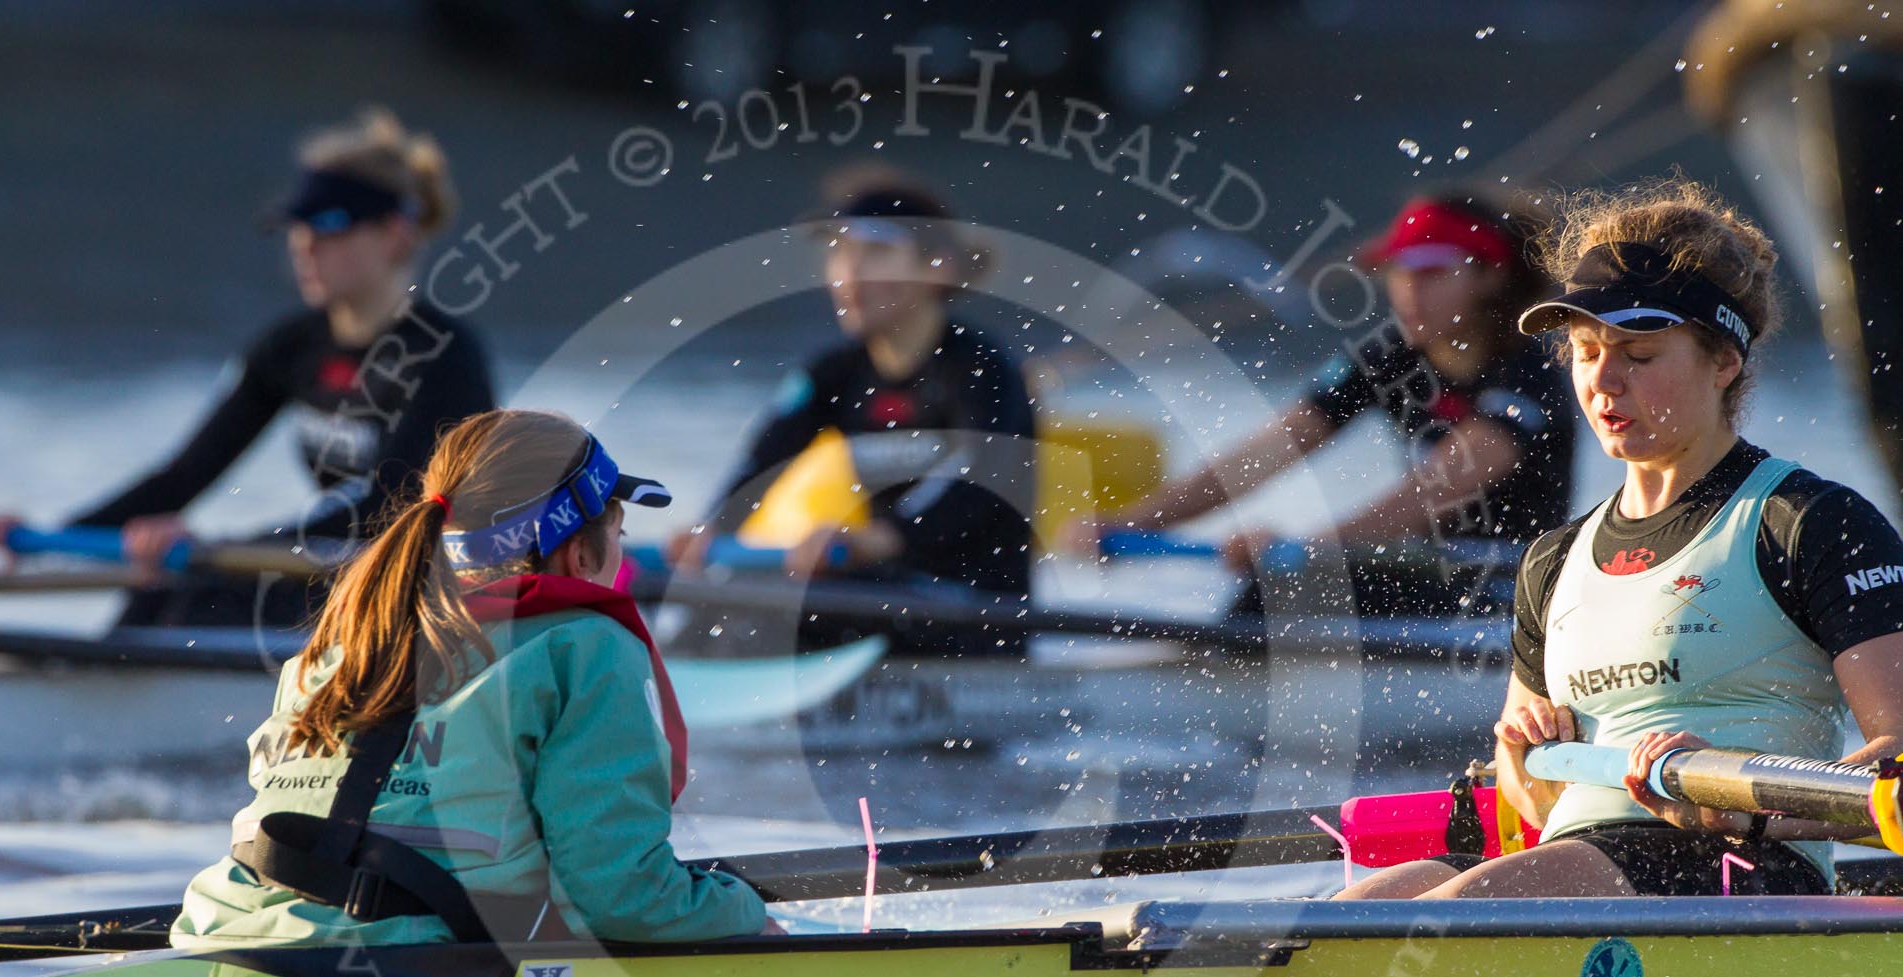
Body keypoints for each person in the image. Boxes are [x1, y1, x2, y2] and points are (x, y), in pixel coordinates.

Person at [1339, 175, 1903, 902]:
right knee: (1343, 916)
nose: (1604, 381)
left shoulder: (1809, 523)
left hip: (1738, 868)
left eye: (1638, 356)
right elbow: (1531, 804)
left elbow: (1896, 764)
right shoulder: (1554, 561)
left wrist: (1749, 801)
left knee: (1457, 909)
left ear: (1723, 362)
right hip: (1576, 862)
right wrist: (1521, 753)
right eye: (1584, 350)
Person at [172, 409, 772, 948]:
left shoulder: (348, 635)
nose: (623, 554)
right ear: (579, 555)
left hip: (223, 931)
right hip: (412, 973)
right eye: (619, 534)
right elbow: (621, 898)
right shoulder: (588, 646)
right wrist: (748, 914)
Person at [0, 107, 495, 630]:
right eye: (297, 226)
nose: (305, 245)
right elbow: (183, 476)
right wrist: (51, 538)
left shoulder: (446, 356)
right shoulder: (291, 347)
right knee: (159, 596)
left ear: (395, 234)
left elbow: (389, 507)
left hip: (418, 593)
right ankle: (101, 692)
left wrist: (219, 552)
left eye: (329, 225)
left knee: (206, 590)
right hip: (328, 569)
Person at [1066, 187, 1573, 616]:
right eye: (1398, 272)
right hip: (1421, 572)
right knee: (1266, 600)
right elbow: (1269, 450)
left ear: (1490, 275)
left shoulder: (1531, 367)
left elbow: (1437, 490)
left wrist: (1310, 550)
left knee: (1285, 594)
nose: (1408, 294)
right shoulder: (1392, 355)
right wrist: (1135, 521)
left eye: (1431, 273)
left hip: (1510, 593)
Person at [669, 173, 1037, 654]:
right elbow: (765, 457)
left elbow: (974, 482)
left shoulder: (983, 368)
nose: (850, 274)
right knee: (710, 604)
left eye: (876, 253)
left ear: (937, 268)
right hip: (883, 590)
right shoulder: (835, 373)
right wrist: (713, 528)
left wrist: (883, 538)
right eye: (840, 253)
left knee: (784, 607)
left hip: (976, 610)